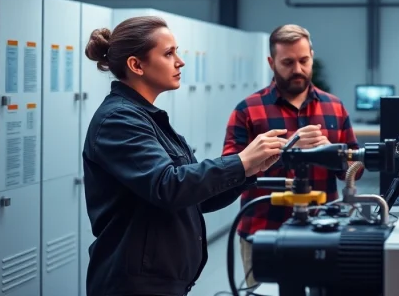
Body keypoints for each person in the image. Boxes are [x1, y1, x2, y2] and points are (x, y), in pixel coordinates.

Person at [81, 16, 286, 296]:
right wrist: (240, 161)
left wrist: (249, 170)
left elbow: (193, 197)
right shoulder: (119, 120)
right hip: (133, 286)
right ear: (136, 65)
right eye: (168, 53)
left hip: (159, 283)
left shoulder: (146, 117)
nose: (180, 61)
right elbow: (169, 186)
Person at [222, 24, 362, 287]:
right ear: (271, 62)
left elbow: (356, 169)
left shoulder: (334, 106)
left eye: (304, 60)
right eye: (287, 62)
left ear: (312, 56)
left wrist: (331, 152)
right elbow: (229, 172)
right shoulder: (247, 110)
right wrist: (286, 150)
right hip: (262, 232)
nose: (297, 69)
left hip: (322, 233)